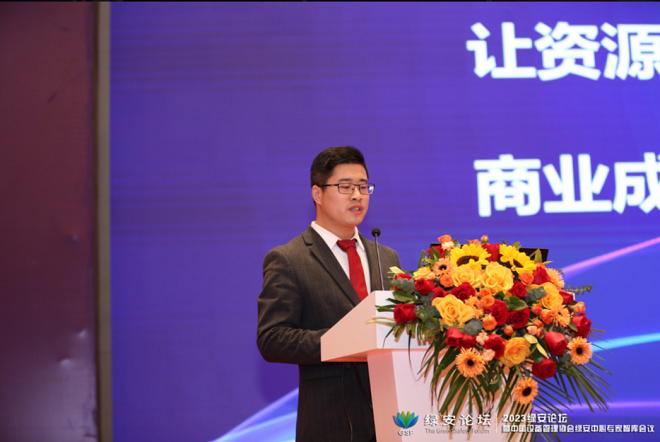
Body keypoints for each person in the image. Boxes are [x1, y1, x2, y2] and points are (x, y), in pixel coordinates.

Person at [257, 146, 401, 442]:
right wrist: (345, 340)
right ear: (317, 194)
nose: (357, 195)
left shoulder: (386, 256)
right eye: (345, 186)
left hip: (394, 421)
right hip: (330, 425)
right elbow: (272, 339)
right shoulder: (289, 259)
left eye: (363, 187)